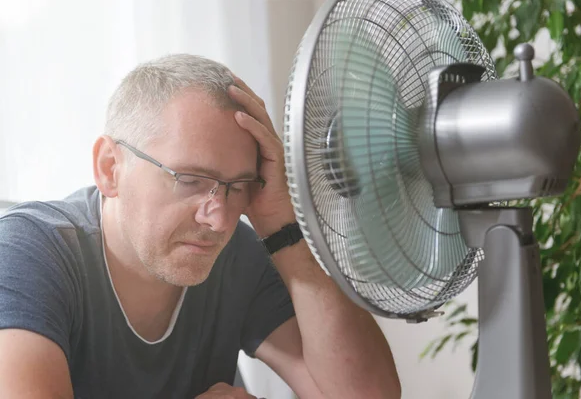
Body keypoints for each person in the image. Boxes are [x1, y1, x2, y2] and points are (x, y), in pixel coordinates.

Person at [0, 54, 401, 398]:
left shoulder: (235, 253)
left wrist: (283, 226)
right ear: (110, 168)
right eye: (189, 179)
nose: (219, 218)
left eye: (239, 186)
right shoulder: (28, 252)